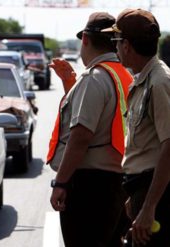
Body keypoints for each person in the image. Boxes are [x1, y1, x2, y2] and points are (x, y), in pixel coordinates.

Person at [46, 12, 133, 246]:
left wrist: (61, 183)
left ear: (85, 39)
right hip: (120, 183)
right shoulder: (125, 75)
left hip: (90, 188)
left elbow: (81, 137)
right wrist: (70, 88)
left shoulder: (95, 78)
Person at [103, 8, 170, 246]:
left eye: (116, 41)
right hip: (141, 188)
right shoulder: (144, 78)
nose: (116, 48)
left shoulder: (159, 82)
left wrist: (149, 207)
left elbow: (169, 149)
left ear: (127, 45)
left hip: (154, 191)